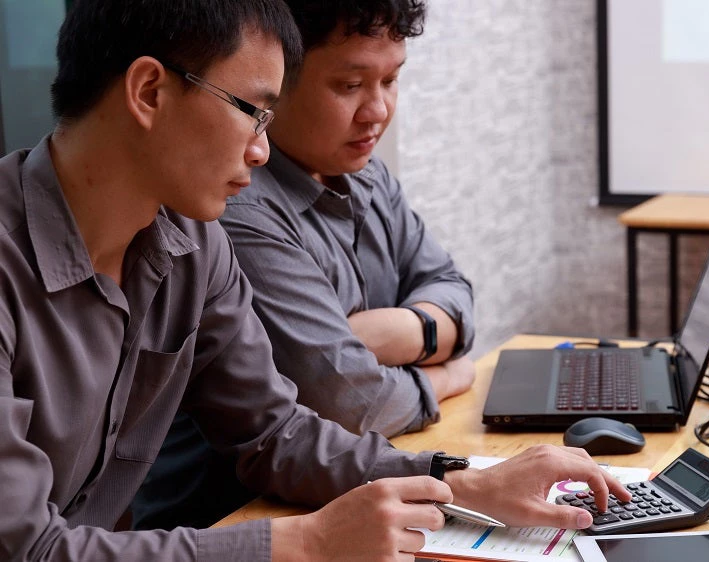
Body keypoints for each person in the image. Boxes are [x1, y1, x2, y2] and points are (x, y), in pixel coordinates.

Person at [0, 1, 629, 560]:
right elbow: (27, 546)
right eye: (253, 112)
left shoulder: (192, 242)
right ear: (148, 91)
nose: (261, 152)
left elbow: (275, 433)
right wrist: (309, 542)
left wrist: (463, 483)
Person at [132, 0, 478, 531]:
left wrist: (405, 332)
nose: (378, 111)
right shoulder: (229, 210)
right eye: (349, 86)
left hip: (317, 494)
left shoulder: (368, 176)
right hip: (227, 516)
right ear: (278, 81)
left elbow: (451, 286)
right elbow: (354, 402)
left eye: (390, 81)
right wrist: (447, 373)